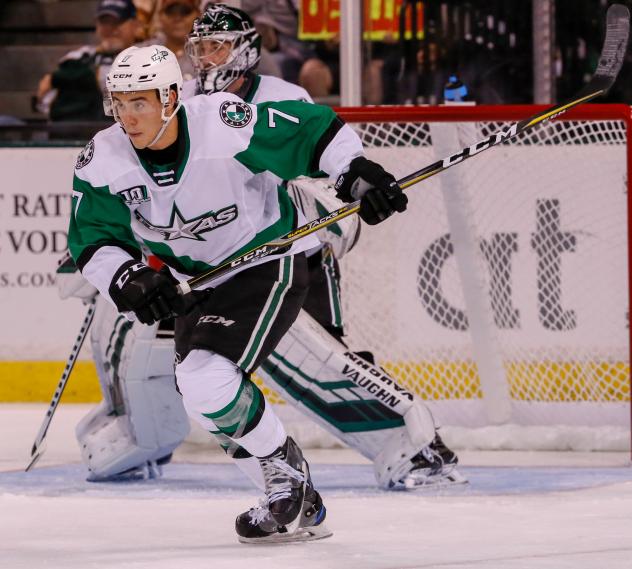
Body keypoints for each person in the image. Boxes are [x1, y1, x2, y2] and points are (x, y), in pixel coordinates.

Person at [60, 4, 463, 499]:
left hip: (282, 253)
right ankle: (248, 472)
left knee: (320, 362)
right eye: (118, 103)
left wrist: (354, 176)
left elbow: (312, 139)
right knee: (204, 381)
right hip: (203, 278)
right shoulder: (120, 144)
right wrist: (125, 276)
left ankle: (413, 446)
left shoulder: (241, 113)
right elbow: (96, 235)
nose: (127, 115)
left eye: (138, 102)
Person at [36, 0, 140, 121]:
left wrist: (61, 78)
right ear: (97, 26)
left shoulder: (144, 56)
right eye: (105, 23)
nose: (111, 29)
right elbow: (44, 99)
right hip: (74, 132)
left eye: (118, 23)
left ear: (135, 25)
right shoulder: (77, 57)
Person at [140, 0, 200, 81]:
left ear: (198, 15)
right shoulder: (142, 51)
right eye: (170, 12)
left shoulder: (209, 53)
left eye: (185, 11)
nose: (177, 18)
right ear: (160, 16)